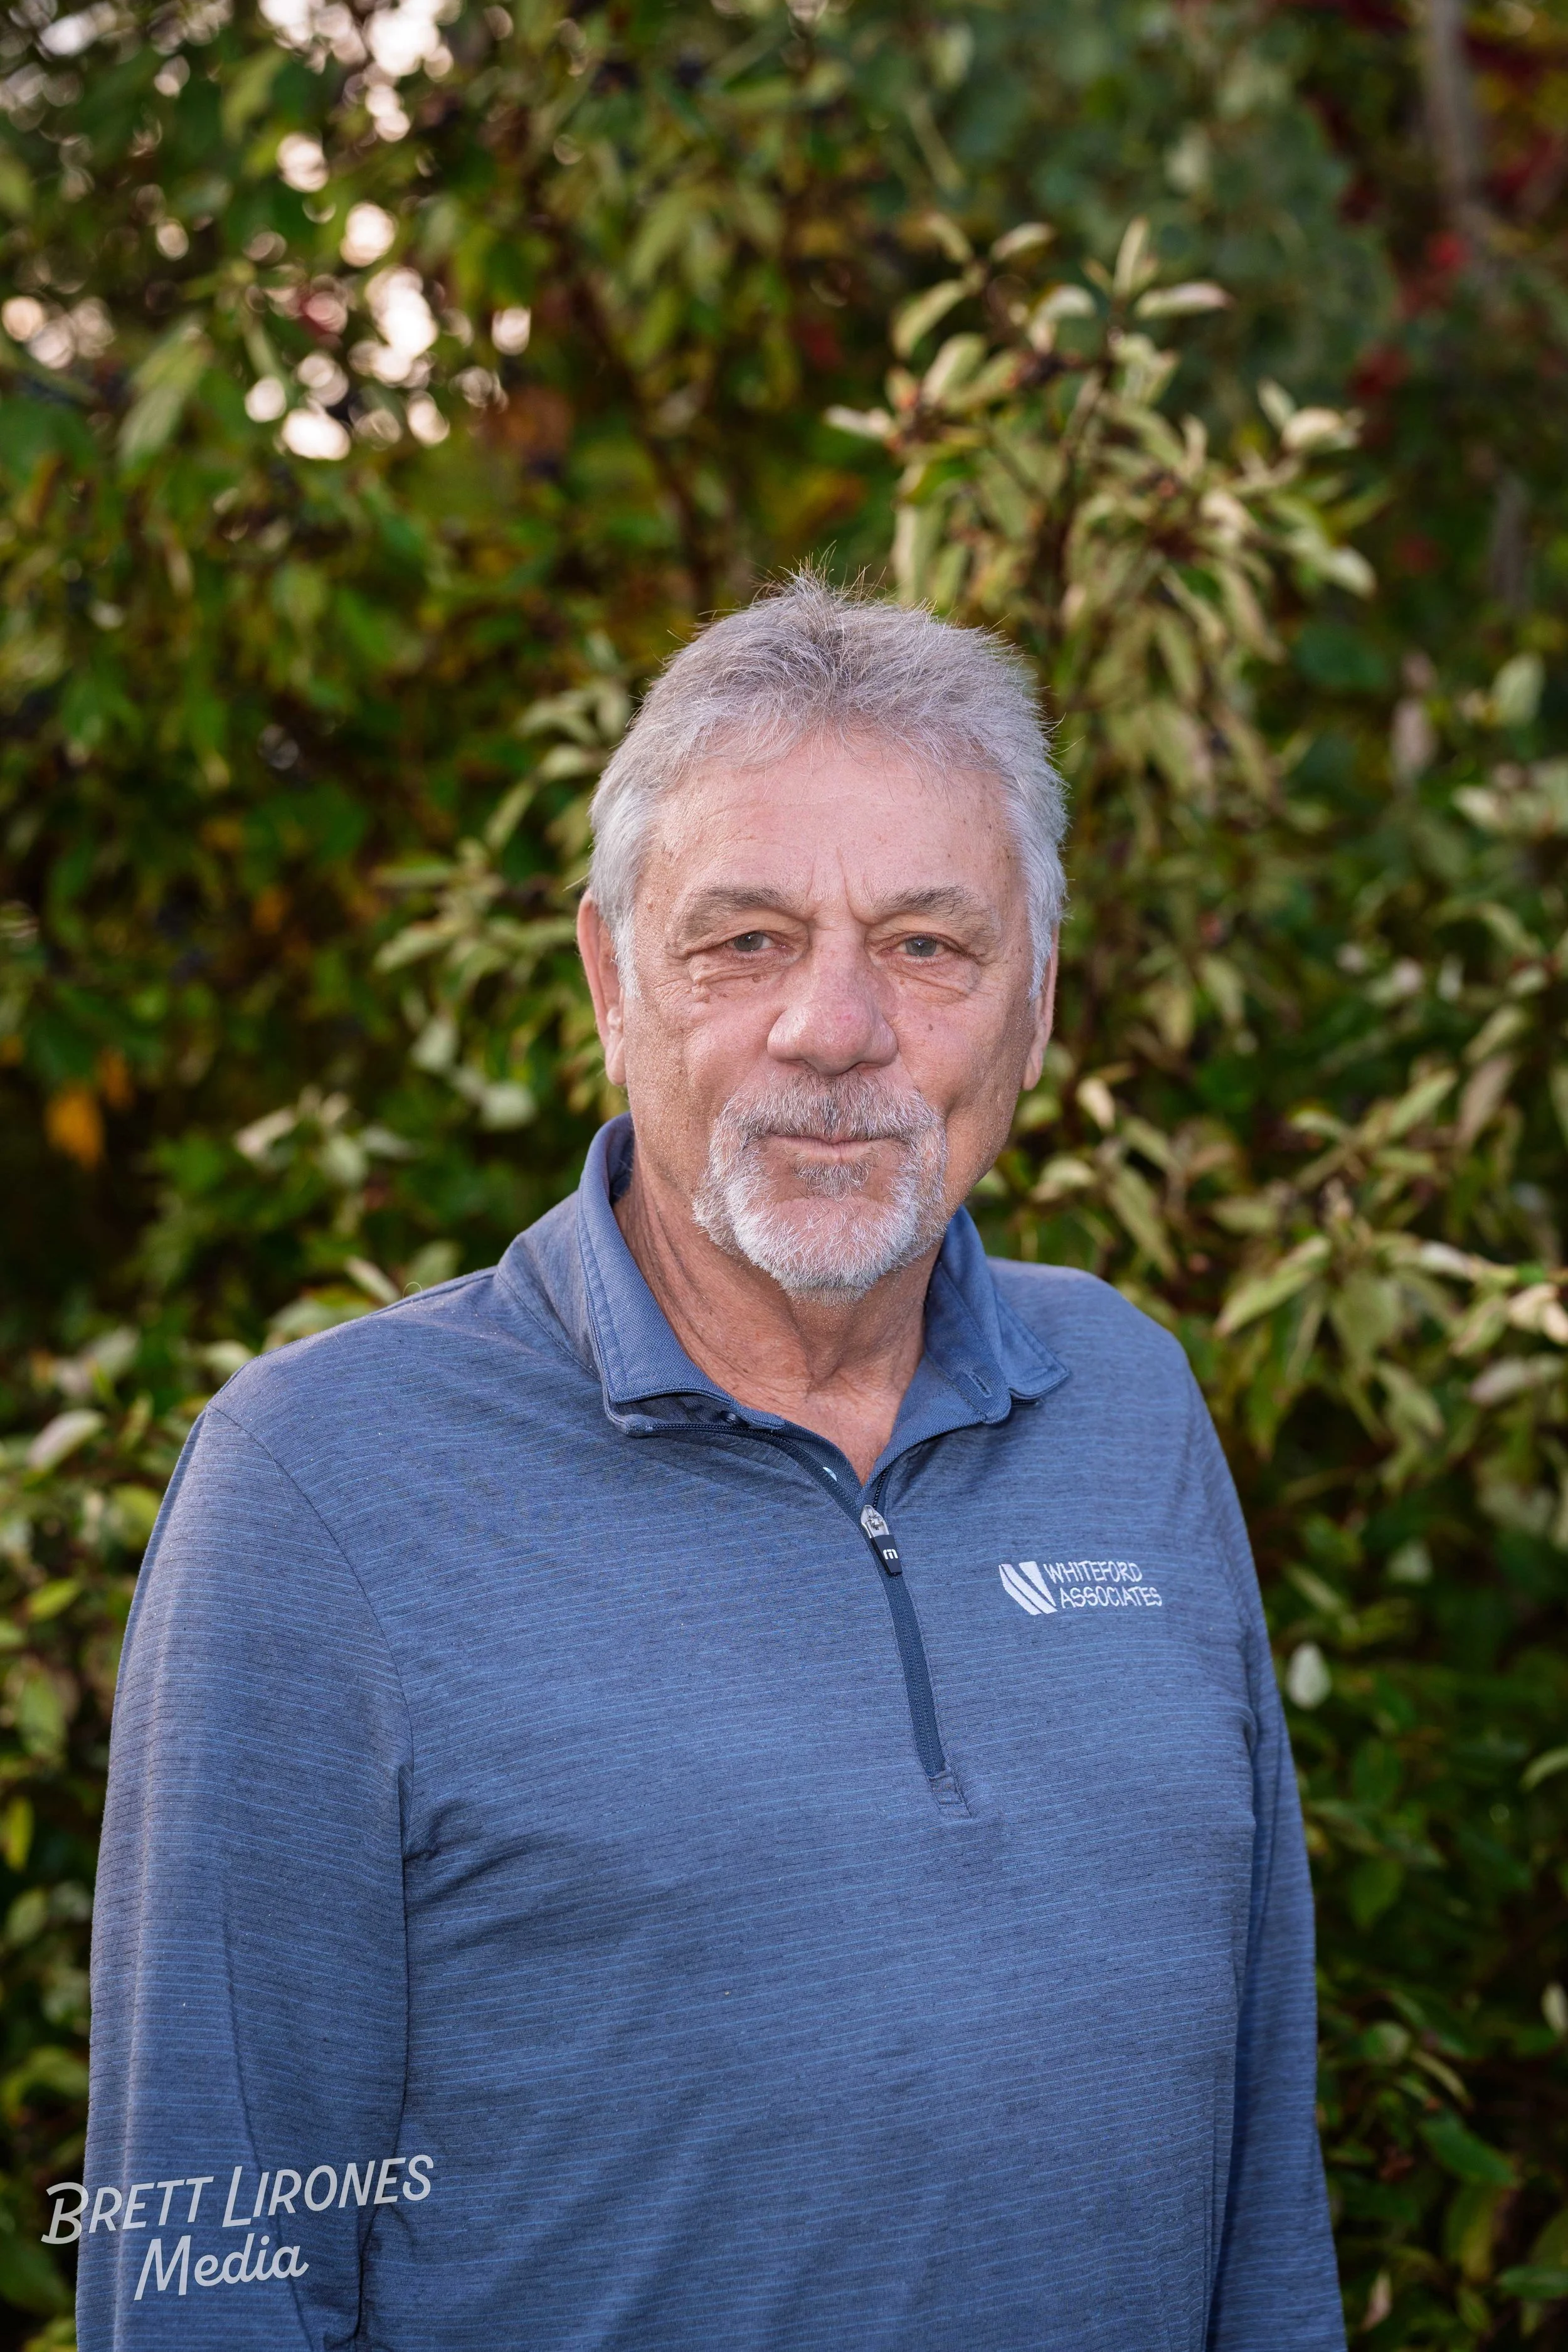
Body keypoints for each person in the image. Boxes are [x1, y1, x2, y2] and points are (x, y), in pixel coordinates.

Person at [77, 576, 1345, 2349]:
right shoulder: (318, 1484)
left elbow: (1262, 2214)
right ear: (610, 979)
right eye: (741, 939)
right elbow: (204, 2258)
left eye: (924, 943)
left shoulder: (1127, 1402)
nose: (831, 1028)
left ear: (1033, 1005)